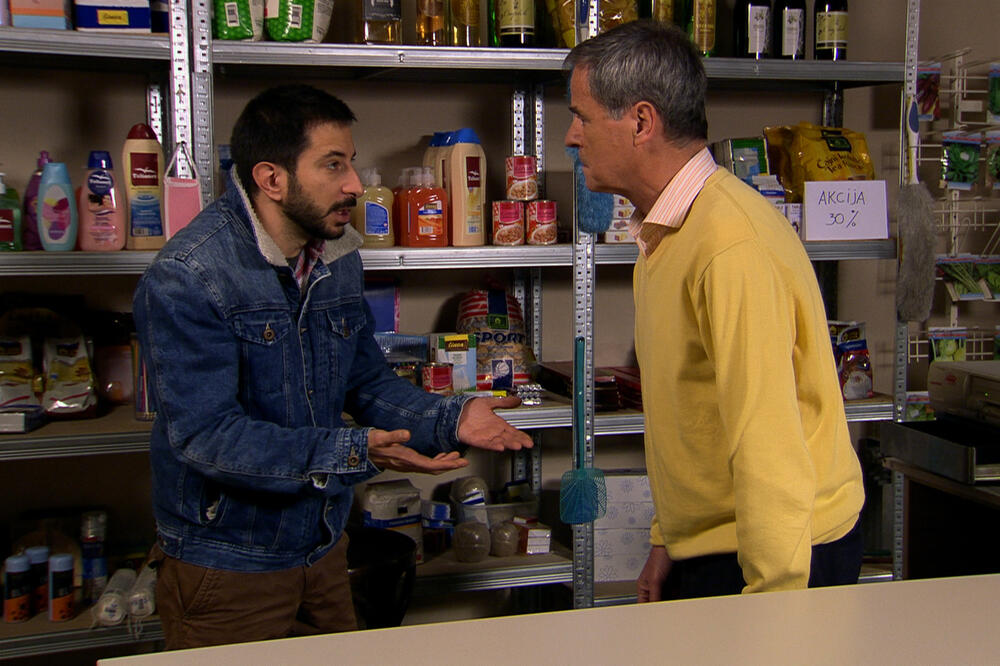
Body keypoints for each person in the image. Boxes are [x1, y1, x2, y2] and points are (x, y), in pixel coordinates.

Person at [133, 84, 533, 649]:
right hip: (229, 566)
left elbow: (365, 380)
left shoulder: (335, 255)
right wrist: (350, 452)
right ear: (272, 179)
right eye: (333, 164)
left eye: (350, 161)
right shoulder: (190, 276)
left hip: (323, 549)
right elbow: (206, 438)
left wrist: (451, 417)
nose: (354, 184)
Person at [563, 21, 865, 600]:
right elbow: (694, 414)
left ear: (641, 122)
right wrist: (668, 540)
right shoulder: (666, 231)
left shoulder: (729, 245)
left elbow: (766, 437)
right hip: (717, 541)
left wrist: (776, 604)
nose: (572, 137)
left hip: (779, 551)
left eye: (583, 117)